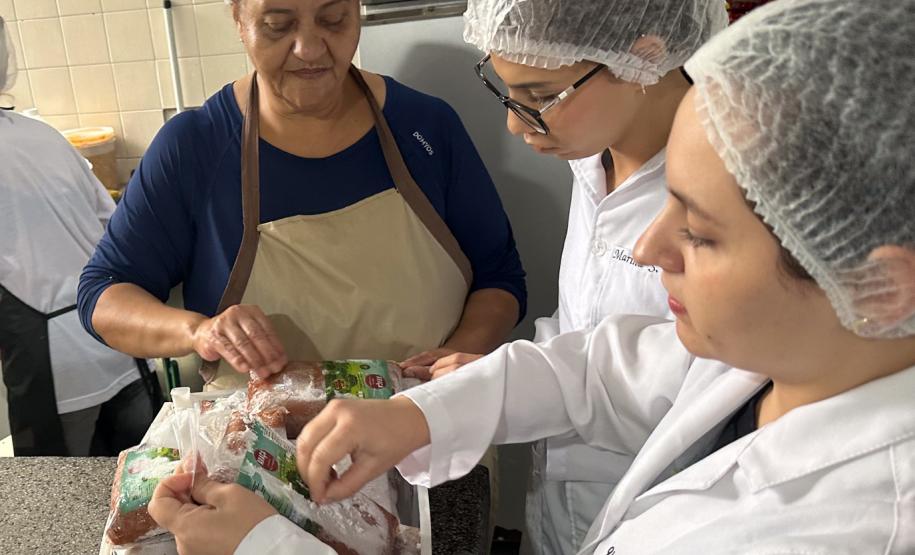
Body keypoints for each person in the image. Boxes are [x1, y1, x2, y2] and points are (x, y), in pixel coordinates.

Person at [148, 0, 914, 552]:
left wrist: (264, 547)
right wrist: (416, 415)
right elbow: (599, 367)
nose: (648, 248)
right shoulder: (786, 358)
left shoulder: (838, 524)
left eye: (701, 234)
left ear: (879, 285)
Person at [405, 1, 727, 552]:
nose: (514, 123)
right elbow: (584, 320)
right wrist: (503, 377)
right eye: (505, 90)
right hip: (560, 505)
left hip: (664, 516)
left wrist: (508, 390)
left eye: (539, 97)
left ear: (639, 57)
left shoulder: (724, 186)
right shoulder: (594, 156)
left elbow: (691, 385)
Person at [77, 0, 526, 391]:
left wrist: (452, 365)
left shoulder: (425, 127)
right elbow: (104, 296)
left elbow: (499, 277)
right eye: (278, 25)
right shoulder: (196, 147)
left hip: (427, 438)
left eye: (333, 20)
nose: (309, 49)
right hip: (262, 464)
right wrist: (198, 331)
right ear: (238, 18)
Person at [0, 17, 158, 457]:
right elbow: (113, 226)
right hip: (117, 342)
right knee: (141, 493)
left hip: (54, 371)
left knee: (60, 505)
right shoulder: (45, 135)